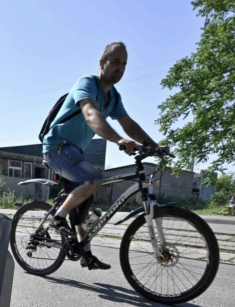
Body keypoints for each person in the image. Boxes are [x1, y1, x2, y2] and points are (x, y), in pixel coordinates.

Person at [42, 42, 170, 270]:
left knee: (84, 211)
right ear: (102, 63)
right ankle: (58, 218)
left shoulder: (113, 97)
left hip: (75, 153)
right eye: (116, 62)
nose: (120, 68)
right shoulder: (87, 84)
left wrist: (154, 146)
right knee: (94, 179)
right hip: (57, 148)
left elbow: (129, 124)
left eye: (124, 64)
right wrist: (118, 140)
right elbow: (91, 114)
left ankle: (86, 255)